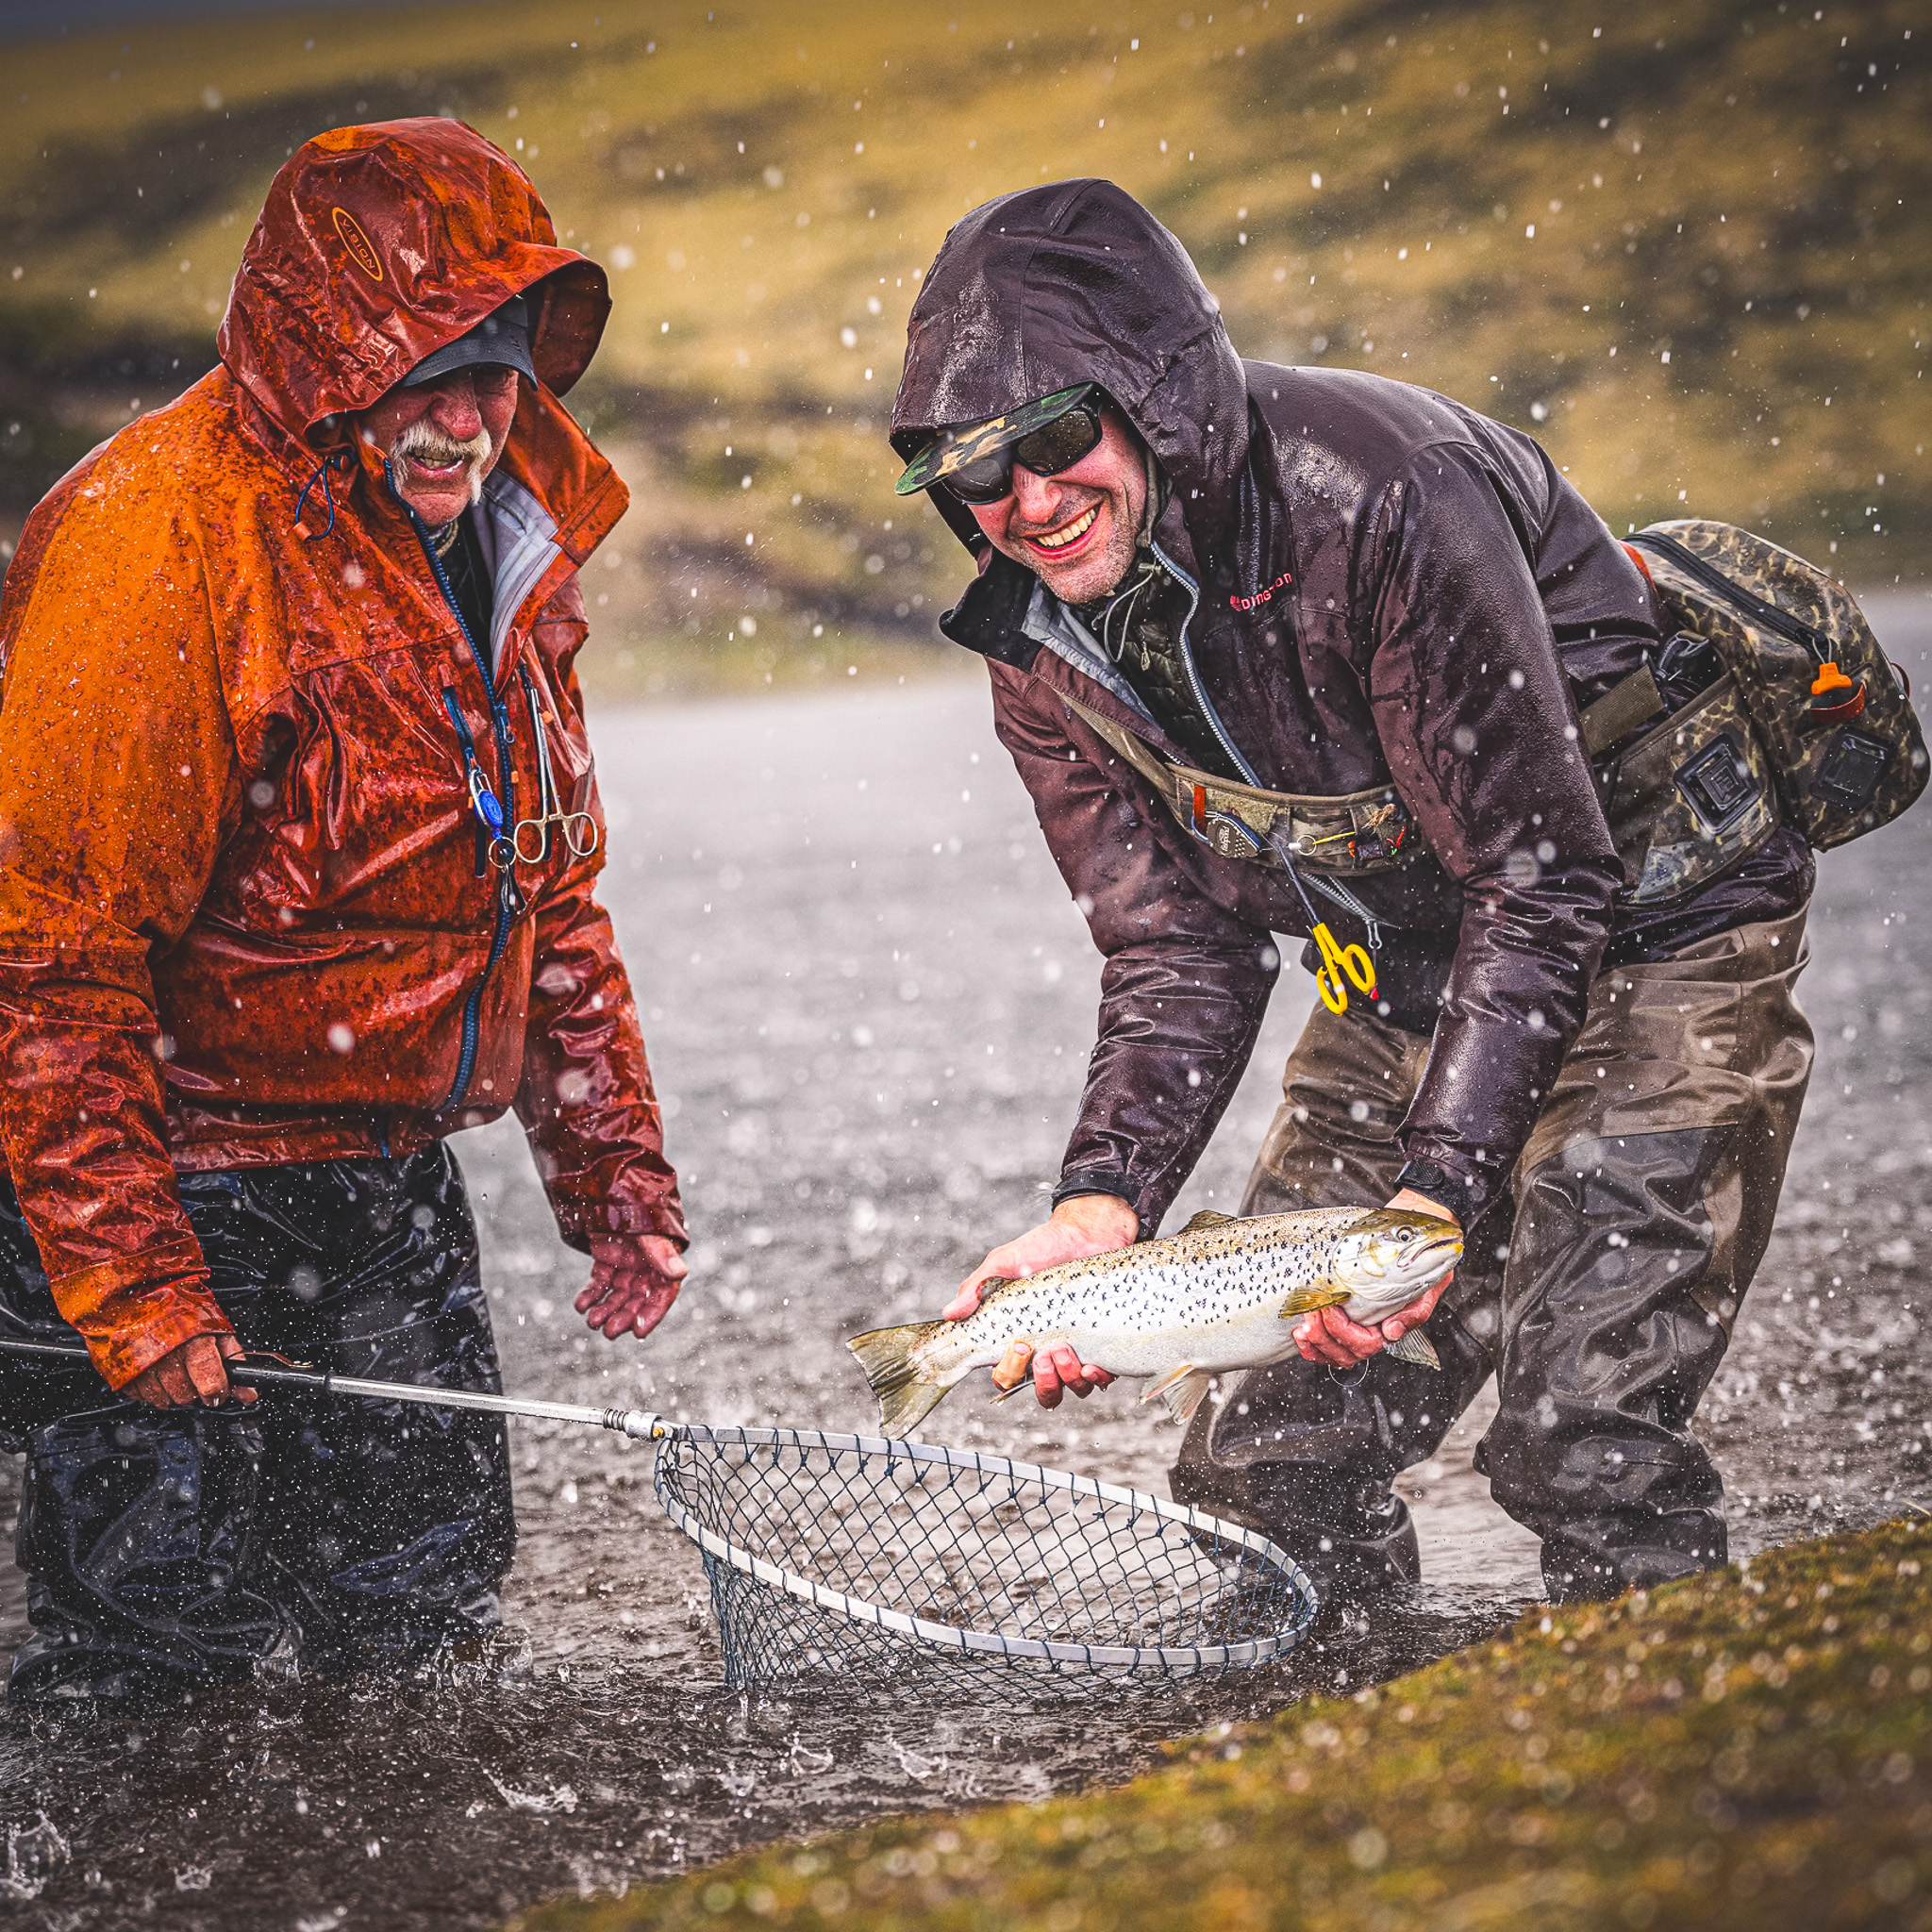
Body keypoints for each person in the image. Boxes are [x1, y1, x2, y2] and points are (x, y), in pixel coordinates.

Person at [889, 180, 1814, 1604]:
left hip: (1657, 927)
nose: (1026, 502)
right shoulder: (1034, 649)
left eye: (1057, 438)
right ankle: (1351, 1763)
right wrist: (1101, 1205)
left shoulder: (1380, 492)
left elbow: (1539, 875)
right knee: (1261, 1464)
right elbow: (1174, 949)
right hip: (1402, 966)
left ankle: (1686, 1767)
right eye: (974, 477)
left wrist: (1433, 1199)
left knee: (1586, 1438)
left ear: (1151, 397)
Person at [0, 120, 687, 1700]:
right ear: (328, 361)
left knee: (427, 1611)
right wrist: (138, 1289)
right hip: (167, 1169)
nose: (469, 420)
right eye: (429, 372)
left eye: (500, 369)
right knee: (159, 1650)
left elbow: (546, 882)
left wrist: (613, 1164)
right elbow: (51, 970)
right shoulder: (155, 547)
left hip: (378, 1186)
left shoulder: (508, 536)